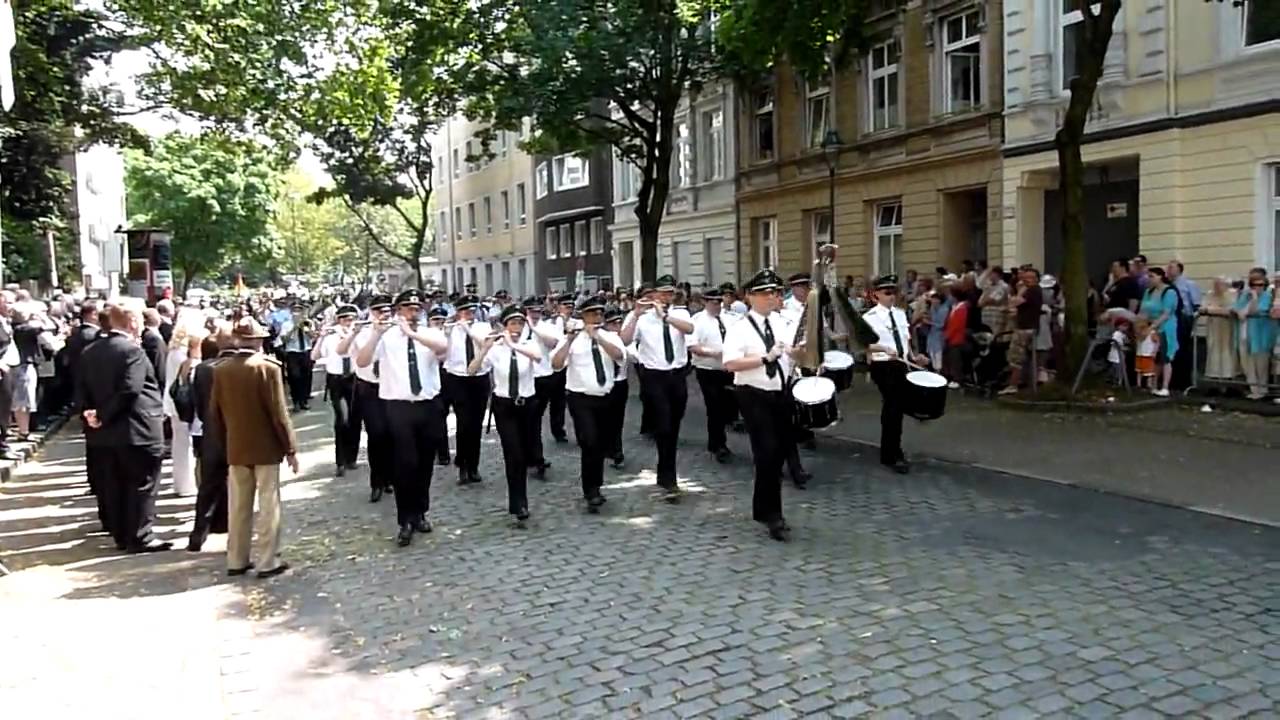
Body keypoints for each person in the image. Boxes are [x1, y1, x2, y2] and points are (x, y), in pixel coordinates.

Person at [76, 298, 172, 553]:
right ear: (131, 322)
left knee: (115, 484)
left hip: (104, 434)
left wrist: (91, 415)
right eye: (139, 320)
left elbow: (82, 390)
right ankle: (141, 535)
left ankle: (122, 534)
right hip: (137, 429)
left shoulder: (90, 351)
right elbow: (131, 389)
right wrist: (104, 415)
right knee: (142, 484)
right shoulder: (132, 351)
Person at [356, 289, 450, 547]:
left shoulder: (430, 332)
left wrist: (412, 334)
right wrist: (375, 332)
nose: (413, 311)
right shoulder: (385, 336)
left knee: (425, 463)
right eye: (408, 307)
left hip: (429, 405)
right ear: (398, 310)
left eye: (417, 307)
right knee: (404, 463)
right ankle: (405, 520)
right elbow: (363, 361)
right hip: (398, 407)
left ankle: (420, 512)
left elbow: (443, 350)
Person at [721, 269, 806, 541]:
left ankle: (765, 508)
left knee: (778, 452)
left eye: (775, 292)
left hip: (780, 392)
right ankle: (773, 516)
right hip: (752, 393)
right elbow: (730, 363)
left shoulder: (782, 323)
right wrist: (764, 358)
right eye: (765, 293)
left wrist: (801, 353)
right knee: (766, 451)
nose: (772, 297)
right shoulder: (739, 328)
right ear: (750, 297)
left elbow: (793, 352)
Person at [210, 317, 298, 577]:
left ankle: (236, 559)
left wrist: (224, 443)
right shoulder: (268, 368)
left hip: (236, 447)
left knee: (238, 506)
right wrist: (291, 448)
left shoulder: (221, 369)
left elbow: (214, 414)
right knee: (269, 504)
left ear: (236, 340)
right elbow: (279, 414)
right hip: (266, 448)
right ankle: (267, 561)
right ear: (259, 340)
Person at [620, 275, 694, 498]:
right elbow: (624, 340)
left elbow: (689, 329)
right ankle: (668, 476)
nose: (665, 297)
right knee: (663, 424)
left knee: (673, 424)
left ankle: (665, 472)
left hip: (677, 375)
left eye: (669, 293)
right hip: (654, 376)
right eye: (662, 293)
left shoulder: (680, 313)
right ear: (653, 294)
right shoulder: (642, 318)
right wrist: (634, 313)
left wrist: (667, 317)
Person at [468, 305, 542, 527]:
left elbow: (537, 357)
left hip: (527, 404)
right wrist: (484, 349)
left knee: (527, 451)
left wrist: (514, 346)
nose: (516, 328)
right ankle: (519, 503)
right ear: (504, 326)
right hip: (505, 406)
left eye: (520, 323)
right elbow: (472, 370)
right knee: (514, 453)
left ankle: (521, 498)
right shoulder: (497, 349)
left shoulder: (529, 345)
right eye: (512, 324)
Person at [552, 295, 626, 512]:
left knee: (601, 443)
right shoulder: (572, 339)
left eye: (600, 313)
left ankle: (596, 484)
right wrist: (568, 340)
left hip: (606, 396)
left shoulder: (610, 336)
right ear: (583, 316)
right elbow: (556, 364)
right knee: (590, 440)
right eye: (593, 313)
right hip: (580, 397)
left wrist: (599, 338)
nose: (597, 317)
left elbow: (619, 356)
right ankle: (590, 490)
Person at [862, 275, 930, 474]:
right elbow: (864, 345)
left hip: (900, 364)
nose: (892, 297)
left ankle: (891, 450)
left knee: (896, 408)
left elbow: (906, 341)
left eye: (894, 293)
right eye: (887, 293)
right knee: (893, 405)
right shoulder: (869, 318)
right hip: (883, 365)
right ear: (876, 295)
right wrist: (883, 347)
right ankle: (892, 453)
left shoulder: (900, 314)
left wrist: (914, 357)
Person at [341, 295, 396, 502]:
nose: (384, 315)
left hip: (392, 386)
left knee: (392, 434)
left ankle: (390, 478)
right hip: (369, 388)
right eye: (379, 311)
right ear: (371, 313)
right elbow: (343, 351)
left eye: (387, 312)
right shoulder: (362, 333)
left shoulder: (398, 332)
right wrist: (357, 333)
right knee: (376, 434)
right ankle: (377, 481)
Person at [187, 325, 232, 552]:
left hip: (209, 431)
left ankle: (200, 533)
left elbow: (196, 400)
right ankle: (227, 526)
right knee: (234, 483)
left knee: (208, 485)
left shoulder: (201, 370)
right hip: (231, 432)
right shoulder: (230, 368)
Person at [442, 294, 493, 485]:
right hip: (458, 379)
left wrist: (469, 331)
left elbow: (486, 345)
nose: (469, 314)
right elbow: (442, 353)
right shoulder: (451, 329)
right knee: (464, 424)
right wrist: (448, 332)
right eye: (465, 311)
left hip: (480, 378)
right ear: (458, 312)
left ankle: (473, 466)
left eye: (472, 310)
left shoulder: (483, 327)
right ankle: (463, 465)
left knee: (476, 424)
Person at [312, 304, 361, 477]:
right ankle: (340, 461)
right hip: (337, 380)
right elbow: (314, 356)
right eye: (345, 319)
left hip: (354, 378)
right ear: (338, 320)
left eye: (351, 319)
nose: (349, 322)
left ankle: (351, 458)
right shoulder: (331, 337)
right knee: (342, 419)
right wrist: (320, 338)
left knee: (355, 419)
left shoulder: (358, 335)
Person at [689, 286, 736, 463]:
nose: (717, 306)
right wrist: (713, 353)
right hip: (707, 370)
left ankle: (717, 439)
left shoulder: (729, 319)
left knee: (727, 408)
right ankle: (718, 445)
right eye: (713, 302)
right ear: (704, 302)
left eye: (719, 302)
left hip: (728, 369)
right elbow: (693, 346)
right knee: (714, 407)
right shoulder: (697, 321)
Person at [520, 295, 558, 478]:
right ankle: (533, 456)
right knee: (528, 420)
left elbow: (553, 343)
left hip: (543, 377)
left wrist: (534, 328)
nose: (534, 314)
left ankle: (535, 457)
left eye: (537, 311)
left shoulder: (545, 327)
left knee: (535, 419)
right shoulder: (517, 327)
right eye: (530, 311)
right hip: (524, 378)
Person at [162, 322, 200, 497]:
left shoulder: (173, 351)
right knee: (185, 444)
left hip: (173, 402)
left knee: (180, 444)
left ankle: (181, 483)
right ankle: (186, 484)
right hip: (183, 403)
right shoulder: (184, 356)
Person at [998, 267, 1044, 395]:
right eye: (1025, 278)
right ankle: (1022, 382)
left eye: (1030, 278)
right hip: (1025, 326)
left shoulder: (1032, 290)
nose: (1026, 281)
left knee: (1015, 357)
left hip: (1025, 328)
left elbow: (1015, 302)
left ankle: (1013, 384)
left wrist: (1020, 291)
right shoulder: (1032, 291)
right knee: (1022, 357)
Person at [1234, 267, 1275, 400]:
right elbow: (1237, 309)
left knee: (1261, 363)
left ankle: (1262, 390)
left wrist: (1255, 299)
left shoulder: (1267, 296)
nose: (1257, 287)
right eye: (1253, 284)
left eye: (1260, 285)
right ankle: (1253, 389)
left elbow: (1256, 311)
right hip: (1245, 333)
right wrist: (1245, 307)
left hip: (1260, 335)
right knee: (1247, 363)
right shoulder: (1245, 295)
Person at [1140, 267, 1179, 397]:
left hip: (1165, 327)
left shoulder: (1169, 292)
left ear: (1160, 277)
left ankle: (1165, 386)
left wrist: (1152, 327)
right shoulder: (1148, 292)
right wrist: (1140, 324)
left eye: (1151, 276)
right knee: (1153, 357)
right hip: (1151, 325)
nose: (1149, 279)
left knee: (1165, 356)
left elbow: (1166, 313)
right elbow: (1144, 310)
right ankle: (1153, 384)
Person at [602, 307, 630, 468]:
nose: (617, 325)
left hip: (620, 382)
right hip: (605, 383)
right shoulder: (603, 338)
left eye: (620, 322)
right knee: (605, 418)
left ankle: (616, 450)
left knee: (617, 419)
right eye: (613, 323)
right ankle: (608, 447)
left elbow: (632, 355)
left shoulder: (622, 340)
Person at [276, 300, 316, 411]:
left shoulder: (308, 322)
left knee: (306, 376)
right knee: (294, 377)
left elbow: (313, 336)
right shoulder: (286, 324)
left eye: (299, 310)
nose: (297, 312)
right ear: (291, 312)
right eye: (295, 310)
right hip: (292, 353)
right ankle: (296, 401)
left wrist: (305, 329)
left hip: (305, 351)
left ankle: (304, 400)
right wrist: (294, 328)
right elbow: (284, 339)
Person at [1198, 277, 1238, 382]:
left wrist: (1211, 310)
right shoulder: (1210, 294)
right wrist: (1210, 310)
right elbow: (1202, 308)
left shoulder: (1232, 295)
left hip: (1227, 327)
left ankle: (1227, 377)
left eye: (1220, 284)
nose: (1217, 287)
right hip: (1213, 327)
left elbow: (1230, 310)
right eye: (1215, 284)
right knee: (1213, 351)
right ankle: (1214, 377)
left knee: (1227, 353)